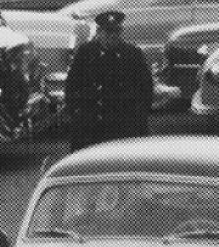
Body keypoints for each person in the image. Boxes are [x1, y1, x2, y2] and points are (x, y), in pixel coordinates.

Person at [65, 10, 155, 151]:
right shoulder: (86, 53)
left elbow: (146, 89)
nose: (113, 36)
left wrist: (139, 116)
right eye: (108, 32)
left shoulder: (132, 54)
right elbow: (71, 86)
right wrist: (77, 114)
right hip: (92, 127)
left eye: (117, 32)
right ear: (99, 32)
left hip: (124, 127)